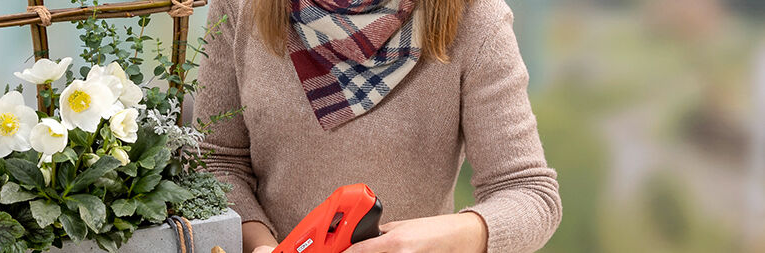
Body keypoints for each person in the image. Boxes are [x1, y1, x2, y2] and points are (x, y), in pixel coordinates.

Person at [193, 0, 562, 252]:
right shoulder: (238, 6)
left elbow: (530, 193)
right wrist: (261, 244)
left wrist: (446, 238)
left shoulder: (478, 18)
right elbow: (215, 162)